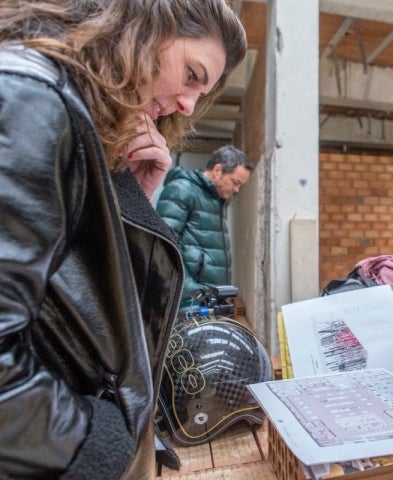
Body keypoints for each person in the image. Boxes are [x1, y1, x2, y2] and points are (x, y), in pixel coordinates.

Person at [0, 1, 246, 478]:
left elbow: (86, 307)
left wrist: (134, 199)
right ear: (143, 28)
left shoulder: (72, 118)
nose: (189, 105)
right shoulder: (32, 98)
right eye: (192, 74)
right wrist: (96, 440)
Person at [156, 145, 253, 304]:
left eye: (240, 185)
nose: (237, 189)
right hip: (189, 300)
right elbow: (164, 247)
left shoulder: (216, 199)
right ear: (217, 170)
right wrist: (193, 292)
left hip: (208, 298)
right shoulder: (183, 190)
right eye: (235, 182)